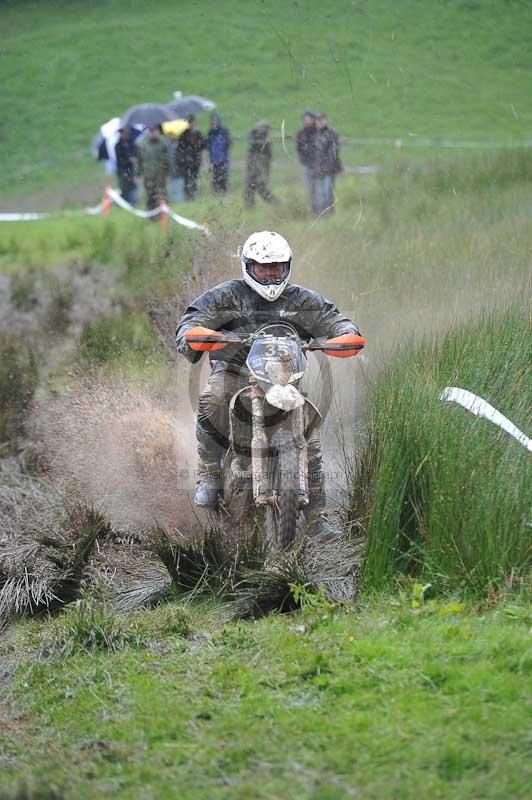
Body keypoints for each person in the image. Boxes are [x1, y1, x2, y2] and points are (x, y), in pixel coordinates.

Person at [175, 230, 362, 511]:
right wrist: (195, 334)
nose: (271, 274)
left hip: (285, 379)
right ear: (249, 266)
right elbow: (191, 321)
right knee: (212, 399)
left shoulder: (303, 301)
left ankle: (316, 517)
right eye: (263, 267)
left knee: (309, 432)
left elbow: (337, 322)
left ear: (286, 267)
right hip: (233, 373)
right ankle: (208, 473)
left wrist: (343, 335)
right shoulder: (226, 297)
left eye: (276, 267)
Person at [313, 112, 342, 214]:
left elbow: (333, 152)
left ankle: (329, 212)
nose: (319, 122)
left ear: (325, 120)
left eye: (321, 120)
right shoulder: (316, 134)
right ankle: (323, 213)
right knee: (320, 192)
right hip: (319, 169)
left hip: (330, 168)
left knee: (327, 191)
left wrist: (328, 166)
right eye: (317, 120)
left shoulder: (331, 133)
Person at [137, 124, 170, 212]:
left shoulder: (163, 143)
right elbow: (139, 160)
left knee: (162, 195)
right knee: (150, 196)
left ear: (158, 132)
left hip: (160, 175)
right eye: (151, 131)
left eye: (154, 131)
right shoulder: (143, 144)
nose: (153, 133)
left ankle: (163, 214)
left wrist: (168, 174)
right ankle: (152, 215)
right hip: (148, 176)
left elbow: (167, 160)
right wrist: (138, 173)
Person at [244, 122, 276, 207]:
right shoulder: (254, 138)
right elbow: (253, 144)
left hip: (261, 168)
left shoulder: (267, 144)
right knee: (250, 187)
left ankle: (274, 203)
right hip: (253, 168)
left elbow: (267, 160)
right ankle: (249, 205)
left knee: (261, 187)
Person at [175, 116, 207, 200]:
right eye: (190, 123)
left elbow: (203, 145)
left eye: (193, 123)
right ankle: (187, 195)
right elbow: (180, 148)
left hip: (196, 160)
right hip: (186, 161)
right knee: (186, 179)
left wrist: (198, 143)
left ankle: (194, 194)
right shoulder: (183, 134)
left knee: (194, 178)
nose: (192, 125)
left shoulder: (198, 134)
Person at [296, 109, 318, 212]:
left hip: (319, 164)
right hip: (307, 164)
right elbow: (298, 148)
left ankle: (322, 209)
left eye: (309, 118)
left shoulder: (319, 132)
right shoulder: (301, 133)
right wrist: (303, 160)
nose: (307, 120)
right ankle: (313, 209)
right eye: (306, 119)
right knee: (310, 188)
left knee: (320, 188)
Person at [207, 113, 232, 193]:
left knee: (223, 177)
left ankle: (224, 192)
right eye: (212, 120)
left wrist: (224, 154)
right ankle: (217, 193)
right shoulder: (210, 132)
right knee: (215, 177)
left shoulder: (224, 131)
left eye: (215, 120)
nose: (213, 122)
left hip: (223, 159)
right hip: (214, 159)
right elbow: (209, 145)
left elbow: (228, 143)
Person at [115, 127, 138, 206]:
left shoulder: (132, 144)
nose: (123, 134)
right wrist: (129, 159)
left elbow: (136, 154)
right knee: (124, 188)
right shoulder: (118, 145)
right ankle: (124, 203)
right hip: (122, 171)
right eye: (122, 133)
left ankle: (132, 203)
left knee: (133, 187)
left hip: (132, 170)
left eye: (124, 132)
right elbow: (120, 160)